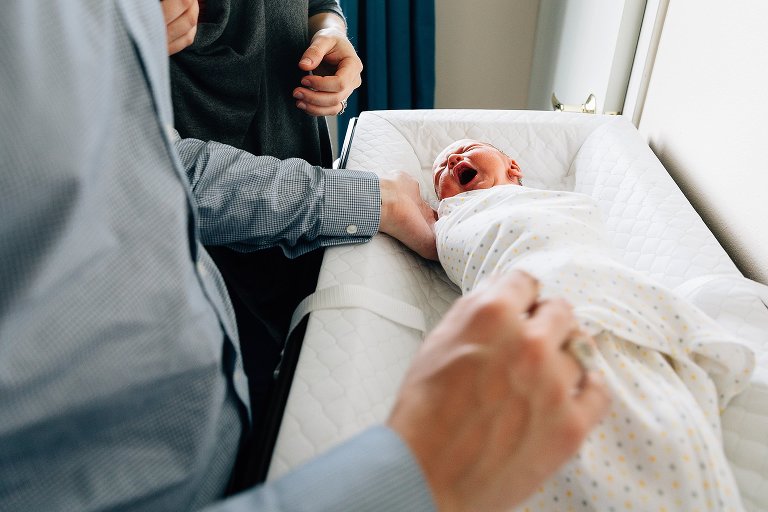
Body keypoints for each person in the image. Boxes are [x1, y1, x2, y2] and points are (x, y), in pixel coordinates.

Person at [0, 3, 609, 512]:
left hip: (223, 368)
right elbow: (148, 166)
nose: (450, 169)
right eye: (446, 164)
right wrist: (411, 472)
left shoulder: (532, 205)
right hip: (150, 438)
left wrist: (330, 29)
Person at [432, 139, 756, 510]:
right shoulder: (453, 218)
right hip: (523, 318)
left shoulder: (560, 202)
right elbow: (433, 235)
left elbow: (578, 234)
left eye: (468, 148)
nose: (452, 160)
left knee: (657, 422)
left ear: (514, 167)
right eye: (439, 171)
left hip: (591, 293)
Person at [162, 0, 373, 433]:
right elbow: (163, 170)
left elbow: (319, 3)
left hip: (305, 190)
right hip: (205, 266)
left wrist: (331, 32)